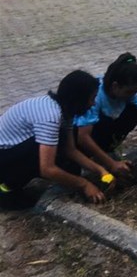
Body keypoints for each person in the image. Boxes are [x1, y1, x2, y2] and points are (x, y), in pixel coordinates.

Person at [0, 71, 109, 208]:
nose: (93, 104)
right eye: (91, 98)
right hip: (4, 156)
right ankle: (6, 190)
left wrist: (100, 170)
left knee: (70, 165)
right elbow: (47, 169)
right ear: (78, 99)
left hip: (12, 153)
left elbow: (71, 150)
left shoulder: (65, 111)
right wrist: (84, 184)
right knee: (42, 146)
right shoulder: (51, 117)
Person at [73, 53, 137, 176]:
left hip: (105, 134)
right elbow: (82, 137)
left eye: (135, 91)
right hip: (79, 142)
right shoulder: (96, 96)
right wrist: (111, 164)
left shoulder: (128, 93)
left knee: (135, 111)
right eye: (129, 91)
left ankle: (107, 151)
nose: (133, 94)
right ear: (115, 86)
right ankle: (95, 157)